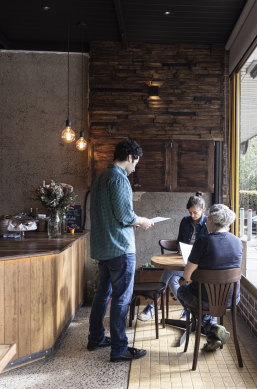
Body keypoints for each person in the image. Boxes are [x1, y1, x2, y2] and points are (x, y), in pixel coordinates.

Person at [87, 138, 154, 362]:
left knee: (102, 295)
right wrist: (142, 220)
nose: (135, 167)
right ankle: (119, 349)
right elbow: (125, 216)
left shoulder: (99, 178)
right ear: (129, 157)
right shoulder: (119, 178)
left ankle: (95, 338)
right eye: (136, 162)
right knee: (122, 299)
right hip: (120, 248)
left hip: (103, 247)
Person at [176, 204, 242, 352]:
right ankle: (213, 337)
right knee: (198, 295)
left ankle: (211, 326)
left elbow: (187, 276)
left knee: (182, 290)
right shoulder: (237, 242)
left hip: (205, 299)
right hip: (232, 299)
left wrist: (186, 280)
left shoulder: (203, 241)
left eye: (207, 220)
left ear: (211, 219)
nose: (205, 222)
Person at [138, 192, 208, 321]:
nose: (192, 216)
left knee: (168, 272)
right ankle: (188, 310)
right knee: (171, 279)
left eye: (195, 213)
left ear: (202, 209)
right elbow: (180, 241)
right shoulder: (185, 221)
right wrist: (180, 248)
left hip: (199, 265)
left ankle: (152, 306)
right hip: (183, 261)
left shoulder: (208, 223)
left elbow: (208, 246)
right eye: (190, 212)